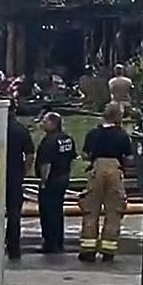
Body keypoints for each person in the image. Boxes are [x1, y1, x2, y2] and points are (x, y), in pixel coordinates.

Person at [78, 102, 133, 263]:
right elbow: (129, 158)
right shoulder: (122, 135)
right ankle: (108, 250)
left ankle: (88, 250)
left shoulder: (93, 134)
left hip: (97, 169)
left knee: (90, 210)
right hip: (115, 169)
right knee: (114, 211)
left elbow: (85, 154)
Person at [34, 112, 76, 253]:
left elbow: (46, 164)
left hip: (51, 180)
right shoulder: (67, 139)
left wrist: (43, 181)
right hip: (63, 177)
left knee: (47, 212)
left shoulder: (49, 141)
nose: (42, 123)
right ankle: (59, 240)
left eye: (45, 121)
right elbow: (71, 157)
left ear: (53, 123)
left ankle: (50, 243)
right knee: (57, 211)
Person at [5, 102, 35, 260]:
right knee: (14, 212)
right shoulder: (20, 130)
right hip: (15, 175)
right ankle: (14, 247)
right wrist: (24, 171)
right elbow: (30, 153)